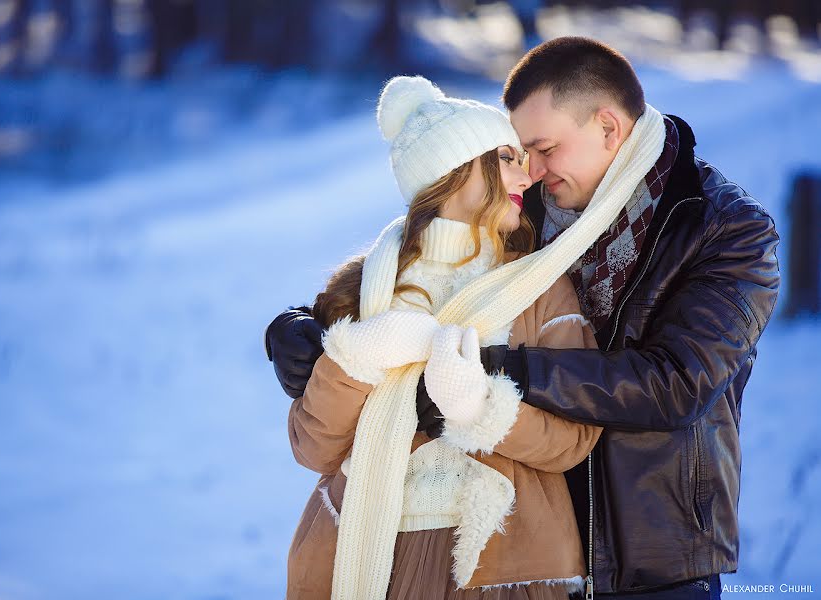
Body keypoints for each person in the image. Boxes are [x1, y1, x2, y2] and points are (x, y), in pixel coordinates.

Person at [266, 38, 781, 599]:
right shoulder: (528, 206)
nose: (529, 171)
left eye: (543, 147)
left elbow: (677, 383)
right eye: (518, 152)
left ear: (608, 128)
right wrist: (298, 328)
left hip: (647, 553)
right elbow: (431, 256)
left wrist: (495, 373)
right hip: (526, 538)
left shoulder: (726, 229)